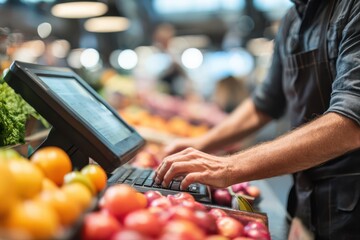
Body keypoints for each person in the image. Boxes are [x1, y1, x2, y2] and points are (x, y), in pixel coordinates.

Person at [155, 0, 360, 238]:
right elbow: (264, 104)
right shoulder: (292, 20)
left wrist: (229, 166)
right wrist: (202, 144)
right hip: (307, 198)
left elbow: (351, 122)